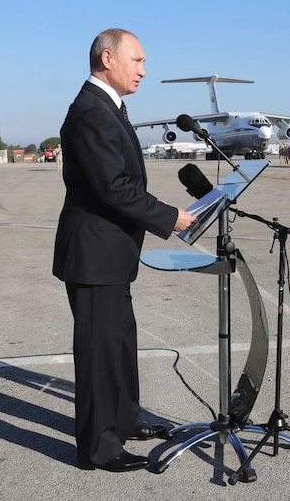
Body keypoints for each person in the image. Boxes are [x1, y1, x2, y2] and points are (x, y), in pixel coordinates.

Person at [52, 28, 196, 472]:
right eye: (138, 61)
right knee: (98, 352)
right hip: (94, 255)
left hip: (111, 254)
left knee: (119, 341)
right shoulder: (92, 112)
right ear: (108, 58)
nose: (143, 70)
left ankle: (125, 418)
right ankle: (99, 447)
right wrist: (168, 216)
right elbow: (114, 188)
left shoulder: (108, 107)